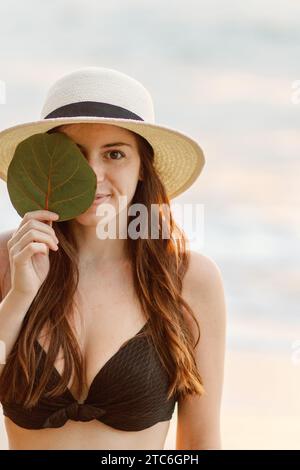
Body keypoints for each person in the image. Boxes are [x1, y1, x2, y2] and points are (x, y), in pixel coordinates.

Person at [0, 66, 226, 450]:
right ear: (49, 167)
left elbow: (200, 443)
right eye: (74, 155)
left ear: (142, 169)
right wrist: (20, 296)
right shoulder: (9, 259)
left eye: (115, 154)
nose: (93, 173)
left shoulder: (189, 279)